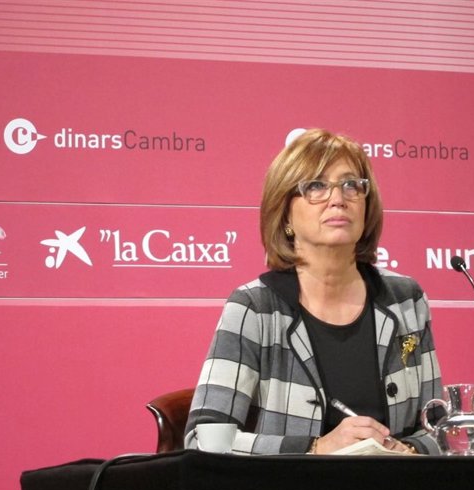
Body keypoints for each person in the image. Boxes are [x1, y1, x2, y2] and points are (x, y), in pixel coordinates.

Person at [185, 128, 442, 455]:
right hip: (293, 487)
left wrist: (410, 450)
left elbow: (438, 426)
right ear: (285, 214)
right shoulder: (255, 308)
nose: (338, 199)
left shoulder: (405, 299)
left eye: (351, 185)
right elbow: (204, 441)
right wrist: (315, 448)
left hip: (394, 484)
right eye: (316, 186)